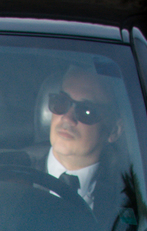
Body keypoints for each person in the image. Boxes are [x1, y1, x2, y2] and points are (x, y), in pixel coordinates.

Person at [43, 67, 123, 213]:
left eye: (86, 111)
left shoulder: (126, 198)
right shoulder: (6, 176)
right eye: (61, 102)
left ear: (114, 130)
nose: (67, 118)